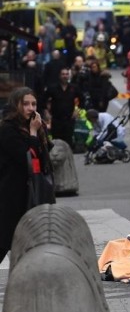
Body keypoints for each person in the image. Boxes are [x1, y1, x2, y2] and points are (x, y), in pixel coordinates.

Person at [0, 87, 52, 263]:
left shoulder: (32, 126)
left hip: (32, 192)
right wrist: (33, 133)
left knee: (28, 244)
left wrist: (40, 132)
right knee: (5, 240)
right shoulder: (8, 129)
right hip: (11, 193)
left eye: (34, 104)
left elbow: (44, 157)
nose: (31, 108)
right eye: (26, 104)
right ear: (16, 105)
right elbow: (26, 158)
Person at [45, 67, 82, 148]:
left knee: (68, 140)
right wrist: (46, 112)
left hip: (69, 118)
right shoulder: (52, 88)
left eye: (67, 74)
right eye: (63, 74)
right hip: (56, 118)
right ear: (59, 76)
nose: (65, 76)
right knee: (56, 141)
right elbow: (43, 100)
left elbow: (82, 99)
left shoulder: (74, 88)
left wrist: (77, 110)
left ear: (69, 76)